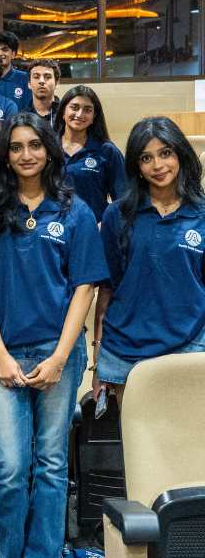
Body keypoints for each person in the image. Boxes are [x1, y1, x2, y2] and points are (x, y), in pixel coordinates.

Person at [0, 112, 108, 558]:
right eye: (15, 147)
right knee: (10, 463)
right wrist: (1, 354)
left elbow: (85, 287)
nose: (25, 154)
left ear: (49, 150)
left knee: (50, 462)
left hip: (57, 355)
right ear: (4, 154)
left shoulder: (73, 211)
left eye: (34, 145)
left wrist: (60, 357)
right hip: (2, 356)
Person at [93, 117, 205, 409]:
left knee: (187, 449)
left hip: (190, 347)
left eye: (165, 153)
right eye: (146, 158)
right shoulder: (117, 214)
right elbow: (107, 289)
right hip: (123, 351)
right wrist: (98, 354)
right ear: (136, 166)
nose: (158, 165)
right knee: (137, 450)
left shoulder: (202, 214)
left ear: (180, 154)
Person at [54, 85, 126, 224]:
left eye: (87, 110)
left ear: (94, 116)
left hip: (94, 231)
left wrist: (102, 226)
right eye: (74, 107)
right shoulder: (47, 149)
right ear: (63, 112)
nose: (80, 114)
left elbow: (123, 201)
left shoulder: (107, 151)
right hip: (53, 231)